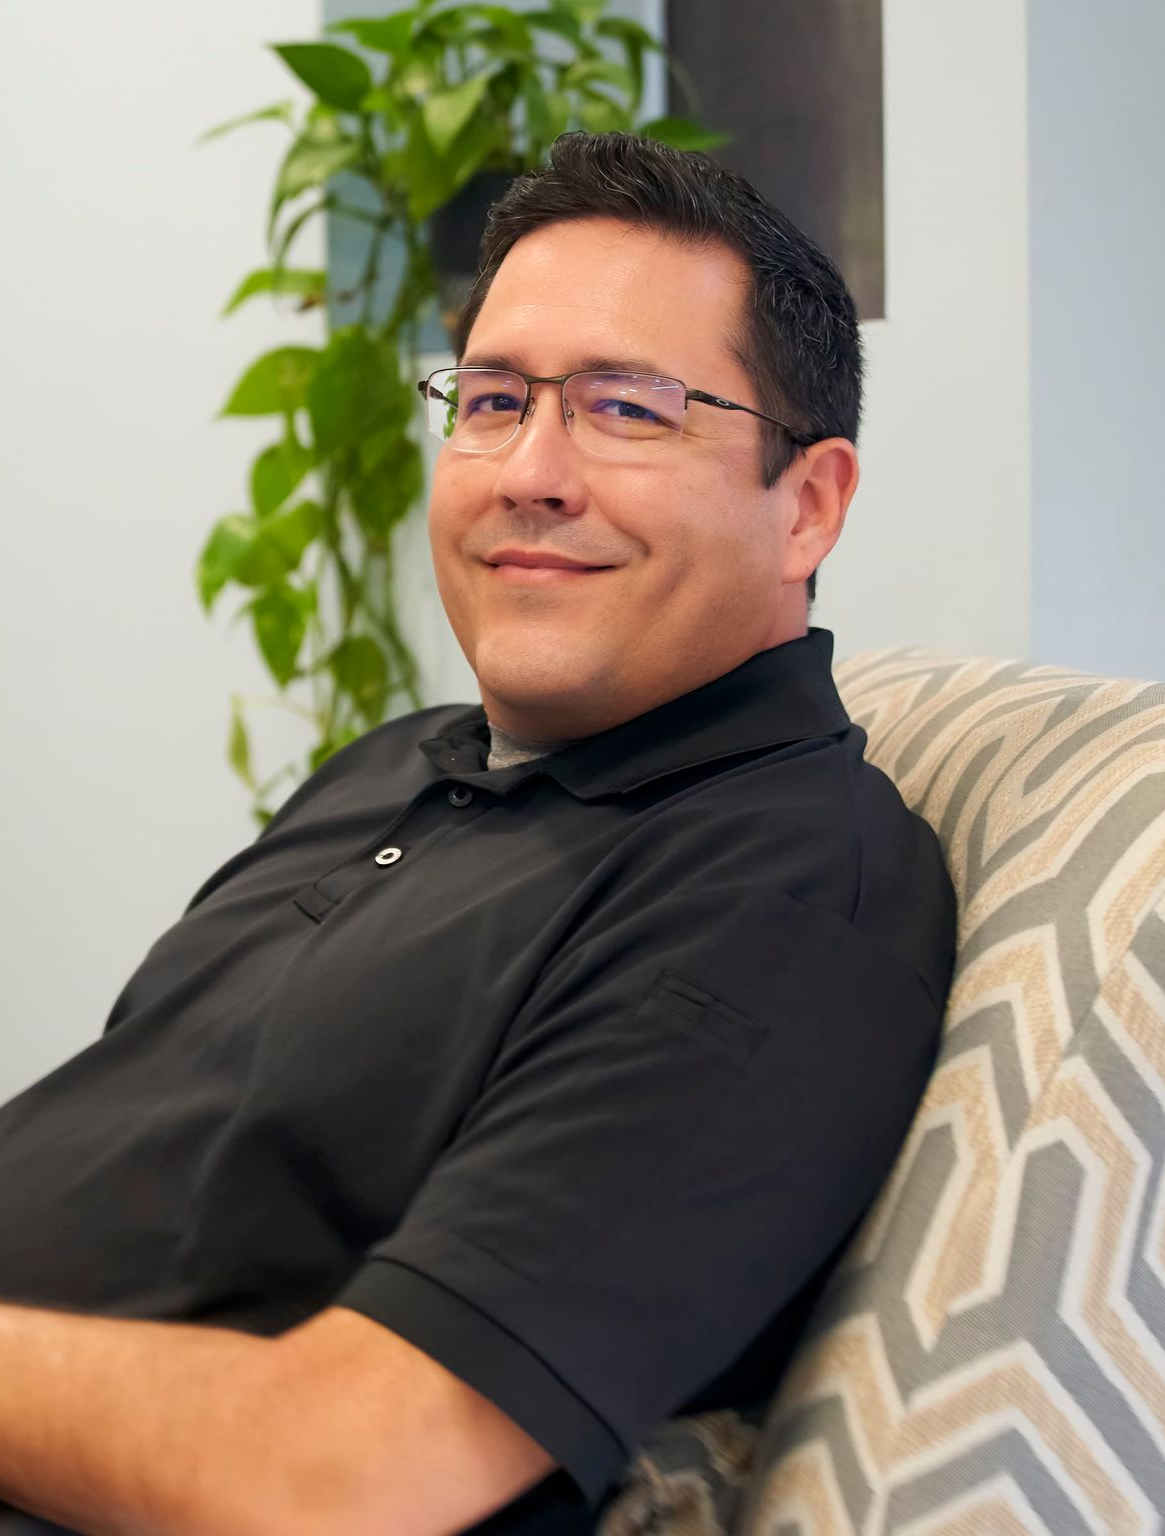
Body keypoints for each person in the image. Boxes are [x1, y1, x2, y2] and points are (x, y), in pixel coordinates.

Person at [0, 132, 955, 1535]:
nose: (530, 471)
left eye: (626, 410)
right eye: (495, 399)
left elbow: (348, 1473)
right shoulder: (396, 766)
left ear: (807, 503)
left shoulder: (780, 894)